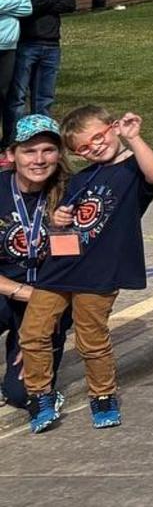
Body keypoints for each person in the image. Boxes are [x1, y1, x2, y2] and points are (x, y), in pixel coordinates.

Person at [12, 108, 153, 434]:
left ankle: (103, 394)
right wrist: (57, 221)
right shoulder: (82, 178)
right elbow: (60, 227)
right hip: (58, 271)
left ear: (113, 128)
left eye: (99, 137)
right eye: (83, 147)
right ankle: (40, 395)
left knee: (90, 339)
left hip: (99, 274)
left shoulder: (132, 171)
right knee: (33, 332)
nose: (94, 147)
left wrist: (133, 138)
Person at [0, 115, 67, 416]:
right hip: (6, 292)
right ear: (11, 155)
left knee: (22, 393)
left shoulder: (71, 193)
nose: (39, 160)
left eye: (48, 150)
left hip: (49, 303)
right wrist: (21, 291)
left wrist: (38, 338)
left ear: (59, 154)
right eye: (29, 151)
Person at [8, 0, 75, 135]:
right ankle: (13, 140)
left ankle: (44, 139)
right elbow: (23, 4)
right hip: (24, 43)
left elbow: (69, 3)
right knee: (17, 99)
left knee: (45, 98)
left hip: (52, 44)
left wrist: (37, 0)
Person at [0, 0, 29, 152]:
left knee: (3, 96)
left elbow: (27, 6)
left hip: (8, 45)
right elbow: (19, 3)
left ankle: (5, 144)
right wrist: (13, 2)